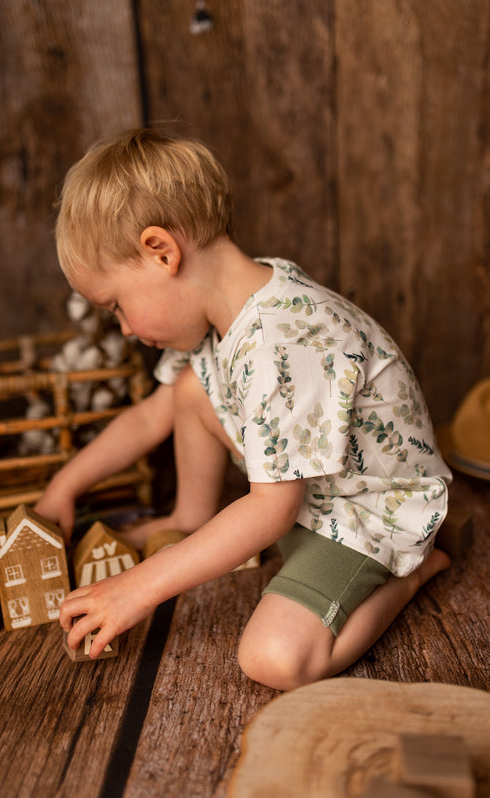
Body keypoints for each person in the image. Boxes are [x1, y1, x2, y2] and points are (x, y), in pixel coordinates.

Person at [35, 128, 452, 691]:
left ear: (162, 251)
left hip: (363, 515)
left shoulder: (283, 337)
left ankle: (411, 574)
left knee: (274, 659)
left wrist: (139, 586)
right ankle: (193, 520)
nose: (126, 328)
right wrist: (64, 487)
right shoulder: (227, 312)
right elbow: (148, 419)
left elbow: (271, 511)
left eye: (117, 306)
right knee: (186, 391)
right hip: (309, 498)